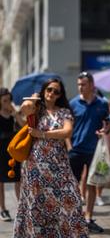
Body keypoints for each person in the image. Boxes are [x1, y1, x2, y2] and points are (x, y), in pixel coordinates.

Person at [13, 78, 88, 237]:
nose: (52, 93)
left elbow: (67, 132)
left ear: (60, 95)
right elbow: (24, 108)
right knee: (37, 202)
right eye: (49, 90)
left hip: (59, 162)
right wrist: (34, 98)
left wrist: (42, 134)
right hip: (36, 164)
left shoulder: (64, 112)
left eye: (56, 91)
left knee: (71, 196)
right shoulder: (36, 110)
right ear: (44, 91)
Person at [68, 71, 109, 233]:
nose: (80, 87)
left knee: (92, 184)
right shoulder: (72, 104)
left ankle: (88, 218)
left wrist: (105, 129)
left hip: (95, 150)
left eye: (83, 84)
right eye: (78, 84)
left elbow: (107, 123)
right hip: (75, 150)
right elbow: (68, 126)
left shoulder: (102, 103)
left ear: (92, 85)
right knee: (72, 185)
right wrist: (68, 146)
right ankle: (74, 217)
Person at [0, 88, 24, 221]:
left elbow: (24, 125)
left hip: (13, 151)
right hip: (0, 151)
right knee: (0, 182)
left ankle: (21, 208)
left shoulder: (14, 114)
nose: (7, 103)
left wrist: (16, 115)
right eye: (4, 101)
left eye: (9, 100)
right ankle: (3, 209)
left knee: (17, 179)